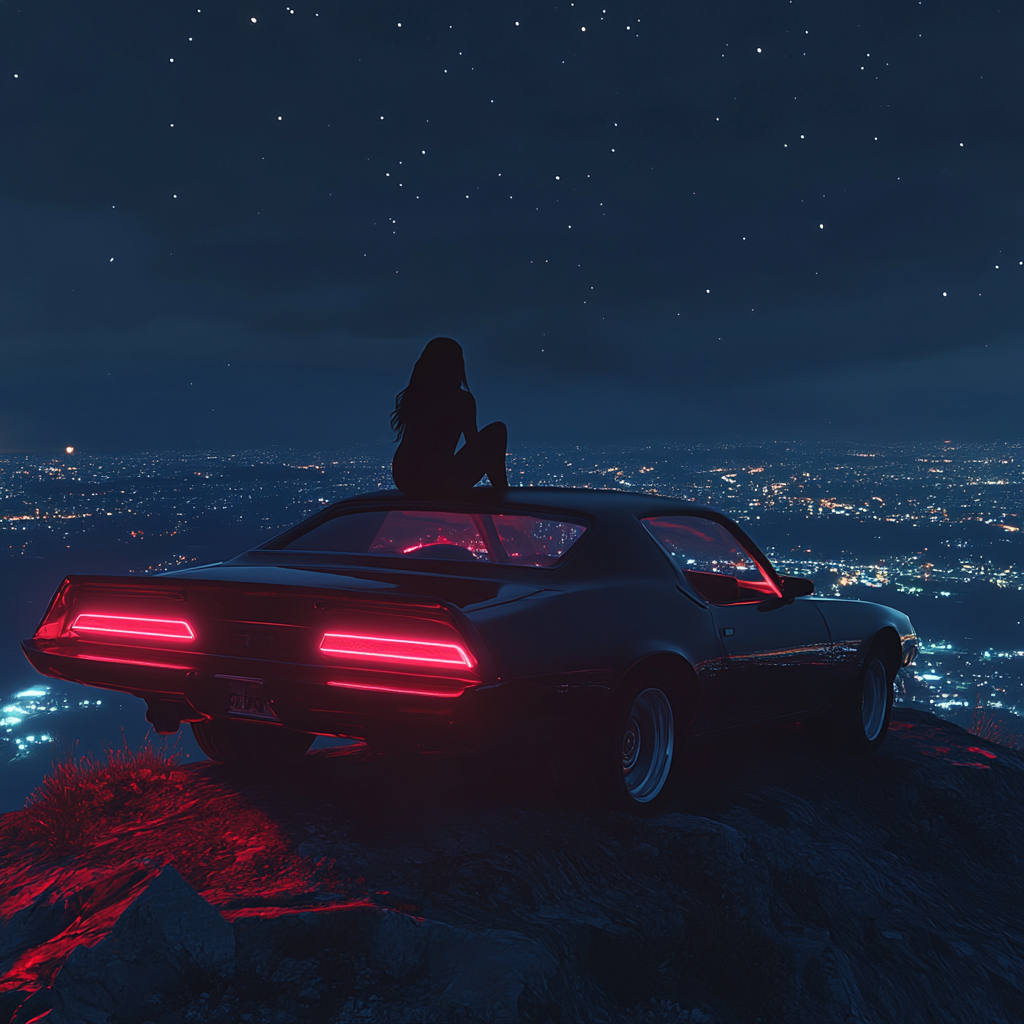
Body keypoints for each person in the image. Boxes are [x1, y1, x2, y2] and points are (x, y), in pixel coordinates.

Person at [391, 337, 509, 498]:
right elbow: (473, 444)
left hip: (404, 478)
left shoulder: (416, 397)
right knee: (497, 431)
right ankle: (503, 492)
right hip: (437, 479)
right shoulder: (461, 400)